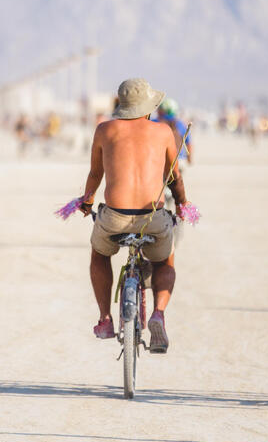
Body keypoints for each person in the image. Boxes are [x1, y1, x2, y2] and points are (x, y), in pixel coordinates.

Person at [76, 78, 193, 353]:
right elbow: (175, 178)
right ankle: (158, 314)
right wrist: (183, 204)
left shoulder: (104, 130)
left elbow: (95, 173)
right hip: (152, 216)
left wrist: (87, 200)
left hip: (114, 216)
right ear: (148, 106)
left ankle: (105, 319)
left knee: (100, 255)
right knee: (166, 261)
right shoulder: (163, 131)